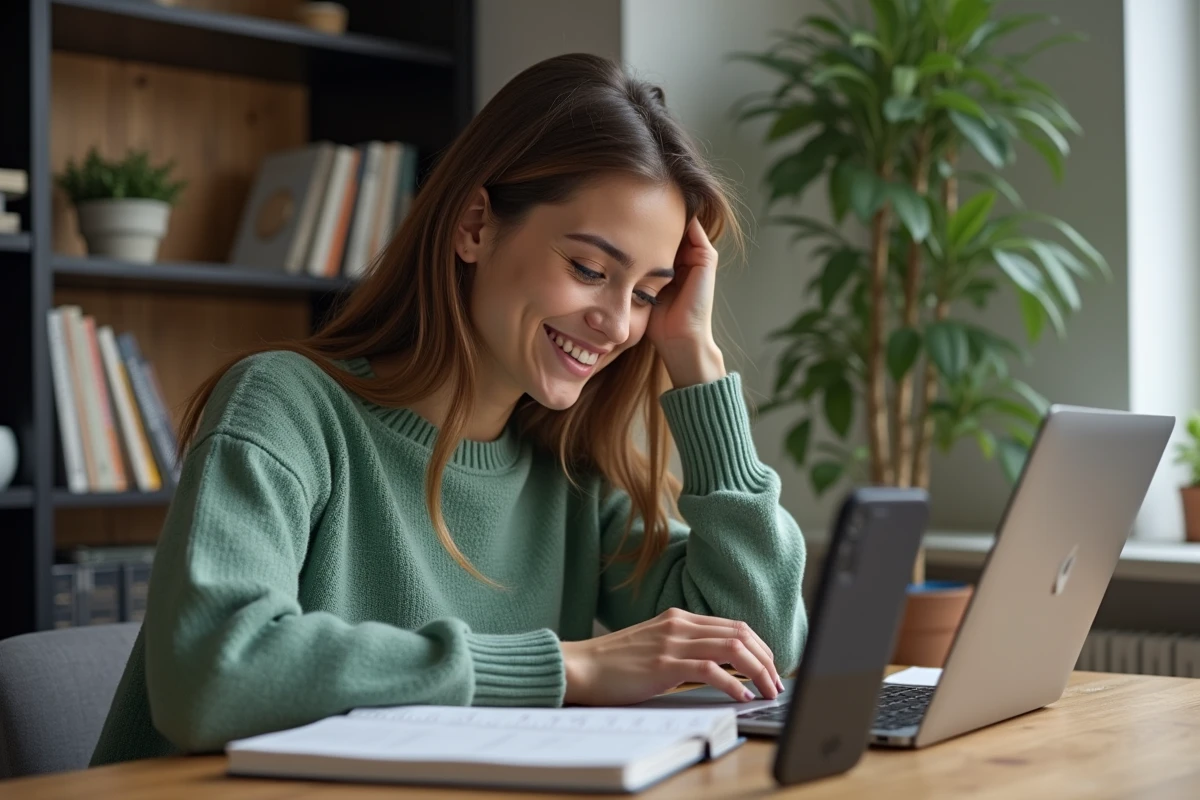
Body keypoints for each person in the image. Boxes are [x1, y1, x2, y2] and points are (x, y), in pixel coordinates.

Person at [90, 52, 808, 767]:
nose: (619, 323)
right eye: (590, 270)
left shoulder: (570, 474)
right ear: (474, 225)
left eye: (648, 292)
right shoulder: (285, 406)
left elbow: (759, 652)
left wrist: (698, 363)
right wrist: (569, 668)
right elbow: (212, 675)